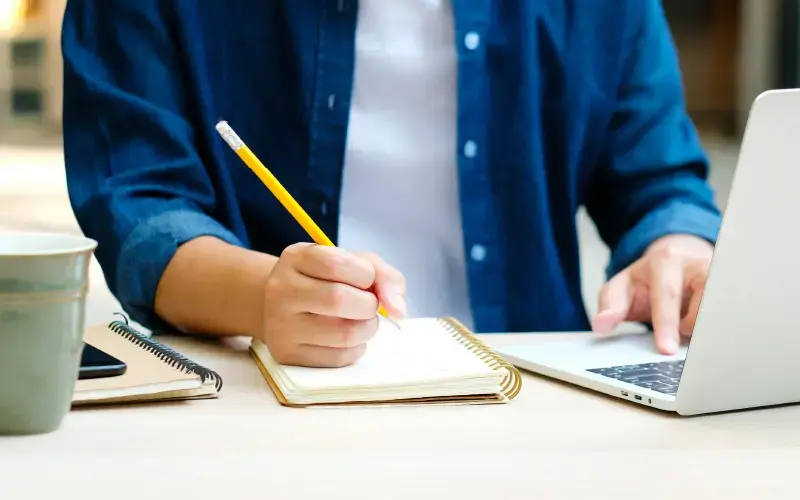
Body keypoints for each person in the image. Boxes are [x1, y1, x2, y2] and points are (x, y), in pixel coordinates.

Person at [61, 0, 721, 368]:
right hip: (264, 394)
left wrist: (681, 253)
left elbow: (660, 181)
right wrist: (262, 296)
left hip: (532, 395)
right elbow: (140, 209)